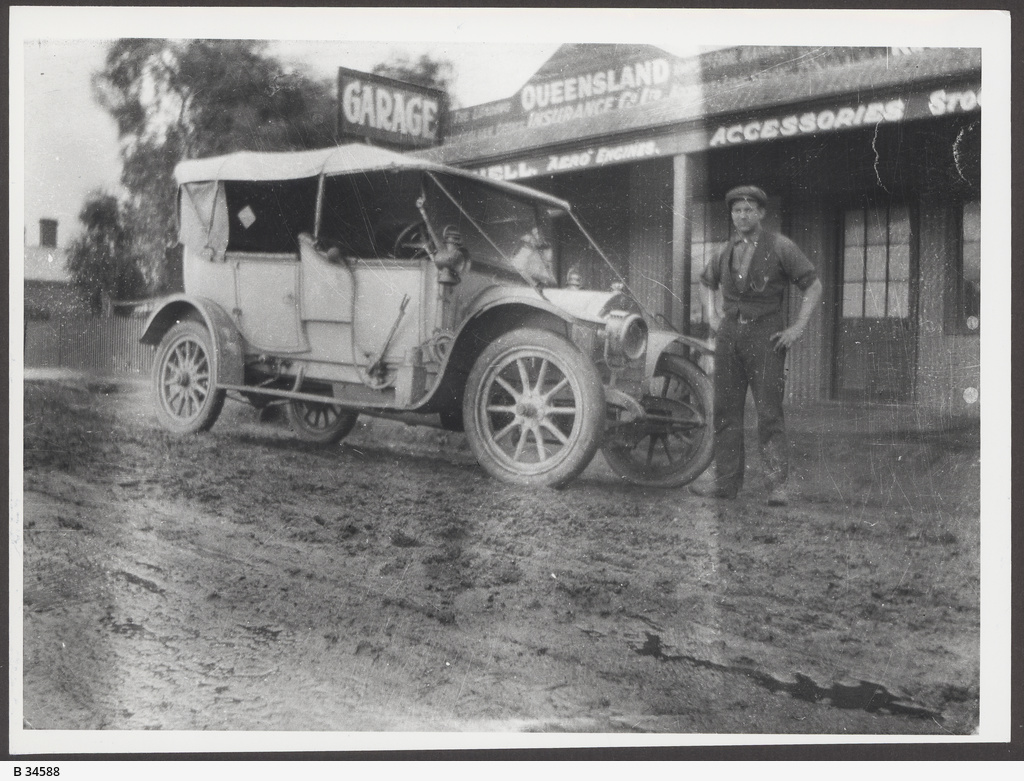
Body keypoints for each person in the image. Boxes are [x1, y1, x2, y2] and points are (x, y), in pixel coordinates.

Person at [691, 185, 822, 506]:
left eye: (749, 209)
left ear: (761, 213)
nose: (742, 215)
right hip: (729, 338)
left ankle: (777, 486)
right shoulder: (725, 250)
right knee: (725, 412)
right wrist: (712, 315)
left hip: (767, 339)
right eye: (737, 210)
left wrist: (798, 328)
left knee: (769, 414)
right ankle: (725, 483)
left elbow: (814, 286)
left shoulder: (780, 247)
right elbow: (705, 282)